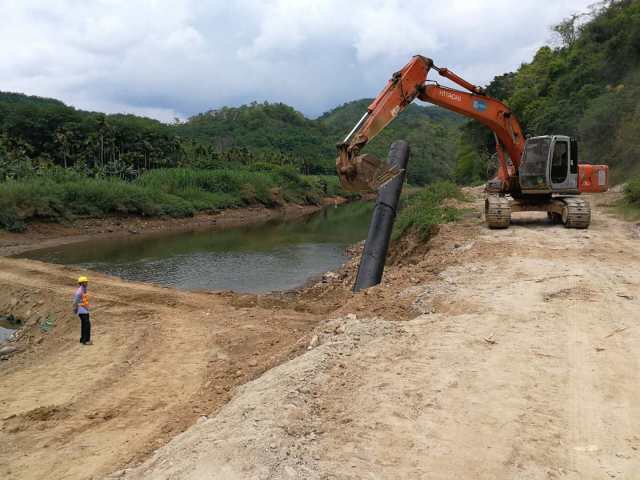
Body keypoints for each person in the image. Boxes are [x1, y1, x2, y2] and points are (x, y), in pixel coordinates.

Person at [73, 276, 92, 345]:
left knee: (84, 324)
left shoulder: (84, 289)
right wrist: (75, 309)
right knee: (87, 325)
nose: (87, 283)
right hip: (82, 310)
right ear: (82, 283)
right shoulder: (79, 291)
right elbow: (75, 301)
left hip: (84, 309)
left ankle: (82, 339)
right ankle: (86, 340)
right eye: (85, 282)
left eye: (86, 282)